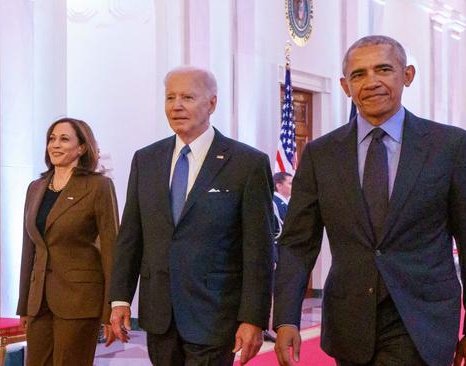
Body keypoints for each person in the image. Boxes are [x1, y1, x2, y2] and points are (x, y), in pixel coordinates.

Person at [273, 35, 466, 366]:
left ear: (407, 75)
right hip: (349, 322)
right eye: (359, 74)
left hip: (422, 320)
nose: (371, 82)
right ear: (344, 85)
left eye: (383, 69)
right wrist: (286, 318)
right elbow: (297, 242)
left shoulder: (449, 147)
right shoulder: (322, 154)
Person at [108, 66, 274, 366]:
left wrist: (253, 318)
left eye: (187, 97)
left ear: (211, 103)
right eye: (170, 97)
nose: (176, 105)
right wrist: (120, 298)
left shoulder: (247, 164)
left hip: (214, 313)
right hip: (160, 313)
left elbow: (258, 250)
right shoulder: (146, 159)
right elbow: (131, 235)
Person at [17, 118, 119, 365]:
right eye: (52, 138)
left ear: (82, 148)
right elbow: (28, 250)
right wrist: (24, 305)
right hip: (39, 300)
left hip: (79, 299)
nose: (55, 145)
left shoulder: (98, 186)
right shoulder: (36, 187)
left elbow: (111, 250)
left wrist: (111, 308)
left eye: (64, 139)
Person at [264, 172, 294, 343]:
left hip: (283, 253)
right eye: (289, 183)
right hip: (276, 252)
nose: (292, 186)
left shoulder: (283, 204)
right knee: (273, 292)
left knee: (278, 291)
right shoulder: (275, 203)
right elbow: (275, 231)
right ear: (278, 185)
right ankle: (268, 328)